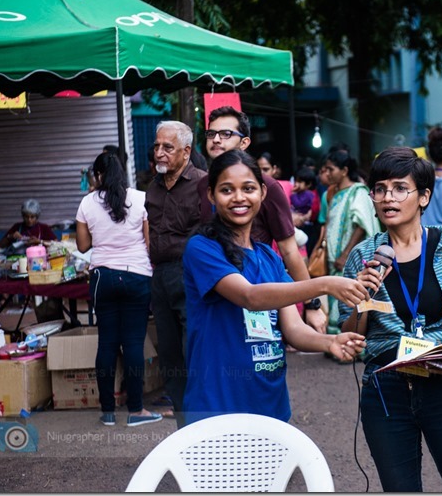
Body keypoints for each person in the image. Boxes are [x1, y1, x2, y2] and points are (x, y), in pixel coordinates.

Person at [338, 146, 442, 492]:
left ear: (423, 197)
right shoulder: (365, 256)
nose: (388, 198)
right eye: (379, 189)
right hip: (385, 389)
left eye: (399, 188)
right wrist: (362, 298)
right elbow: (350, 337)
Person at [183, 150, 368, 424]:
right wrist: (325, 285)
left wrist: (330, 342)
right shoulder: (201, 248)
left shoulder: (269, 256)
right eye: (226, 190)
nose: (239, 198)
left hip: (271, 404)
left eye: (248, 188)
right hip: (217, 405)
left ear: (262, 193)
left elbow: (292, 328)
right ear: (211, 195)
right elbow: (250, 296)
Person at [198, 106, 329, 334]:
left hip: (258, 289)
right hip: (214, 291)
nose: (216, 140)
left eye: (226, 134)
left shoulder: (266, 186)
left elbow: (289, 251)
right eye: (211, 134)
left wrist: (312, 303)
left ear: (245, 143)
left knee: (263, 357)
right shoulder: (202, 185)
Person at [75, 152, 161, 427]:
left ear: (97, 175)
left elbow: (82, 246)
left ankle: (108, 411)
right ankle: (136, 411)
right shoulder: (140, 198)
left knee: (107, 343)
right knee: (134, 343)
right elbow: (148, 242)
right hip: (137, 275)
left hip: (103, 277)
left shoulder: (87, 203)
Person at [145, 120, 206, 428]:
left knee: (193, 350)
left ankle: (204, 423)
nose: (160, 153)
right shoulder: (152, 188)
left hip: (191, 274)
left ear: (186, 151)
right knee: (169, 354)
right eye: (157, 146)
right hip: (160, 276)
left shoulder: (202, 184)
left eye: (167, 147)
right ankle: (185, 428)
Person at [317, 149, 381, 335]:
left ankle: (352, 344)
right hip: (334, 259)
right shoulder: (333, 194)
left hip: (351, 259)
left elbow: (361, 225)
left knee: (351, 298)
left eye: (331, 169)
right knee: (336, 299)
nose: (327, 174)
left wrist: (345, 254)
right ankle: (337, 341)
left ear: (344, 170)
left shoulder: (357, 192)